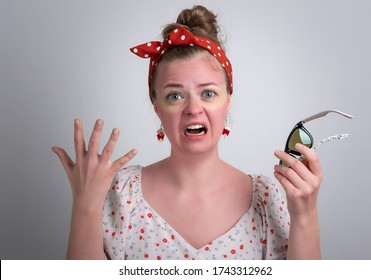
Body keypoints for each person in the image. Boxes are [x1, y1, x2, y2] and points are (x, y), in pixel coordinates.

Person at [52, 5, 322, 260]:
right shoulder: (122, 195)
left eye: (208, 93)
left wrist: (305, 214)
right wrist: (86, 206)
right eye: (175, 96)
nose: (194, 108)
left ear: (228, 100)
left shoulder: (266, 199)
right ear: (156, 106)